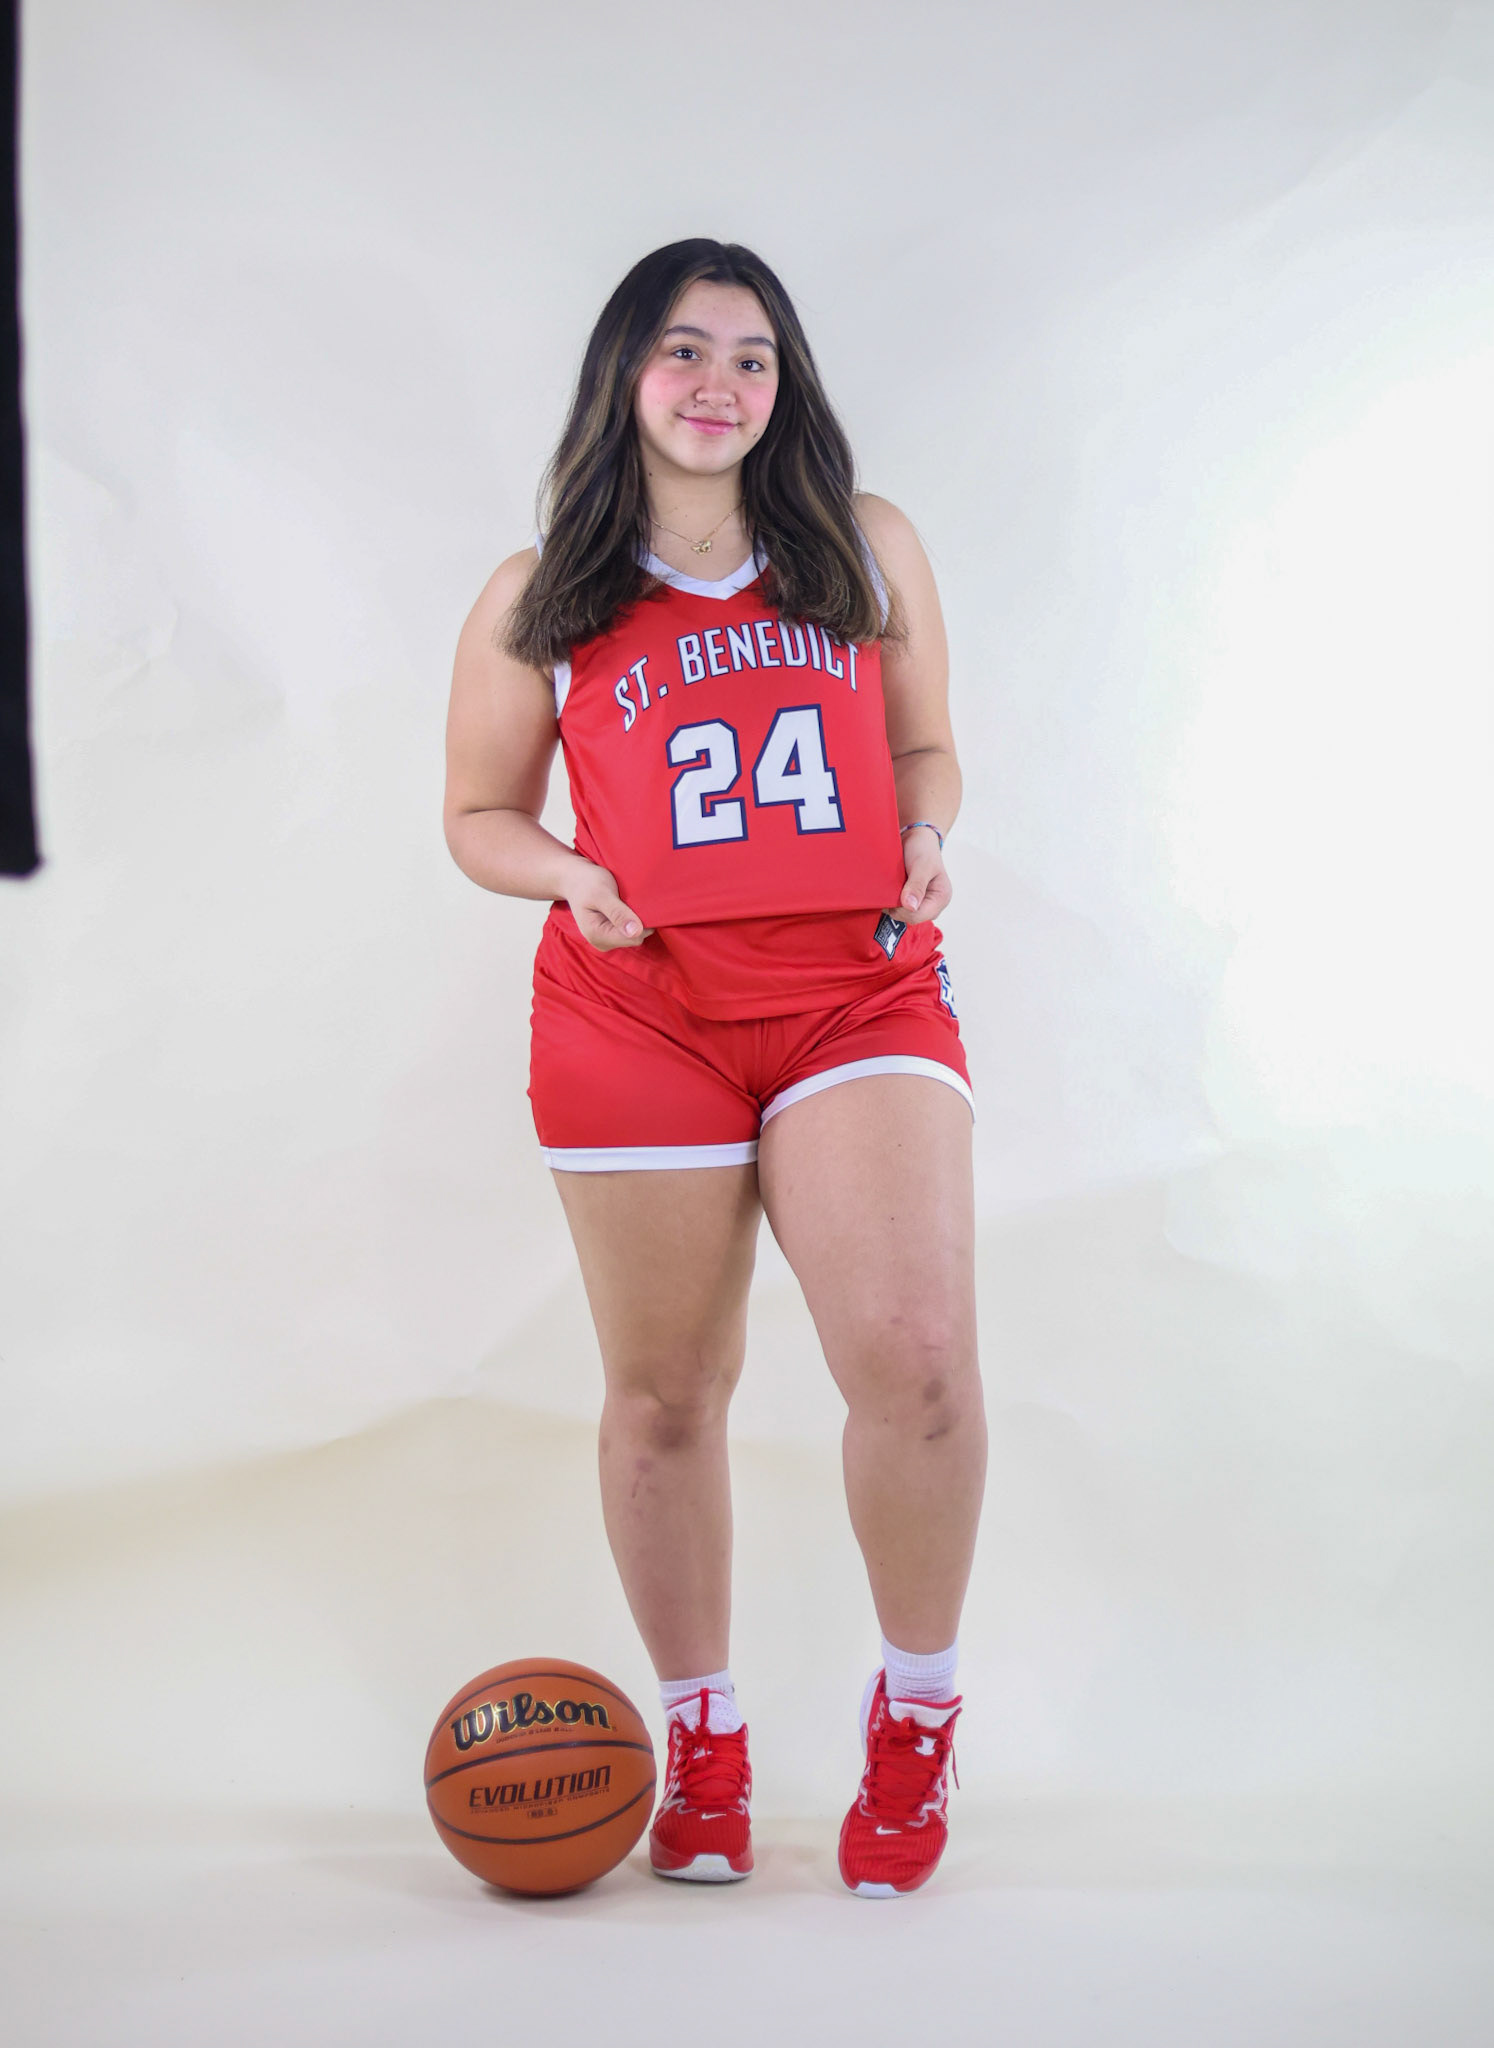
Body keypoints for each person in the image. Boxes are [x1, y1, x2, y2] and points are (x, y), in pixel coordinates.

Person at [443, 239, 987, 1898]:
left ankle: (915, 1718)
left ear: (782, 387)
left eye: (751, 358)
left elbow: (924, 747)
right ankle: (702, 1737)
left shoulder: (861, 544)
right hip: (636, 1013)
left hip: (852, 997)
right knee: (668, 1395)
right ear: (624, 374)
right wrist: (567, 875)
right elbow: (475, 817)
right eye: (681, 351)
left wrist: (929, 830)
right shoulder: (545, 589)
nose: (716, 385)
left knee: (912, 1358)